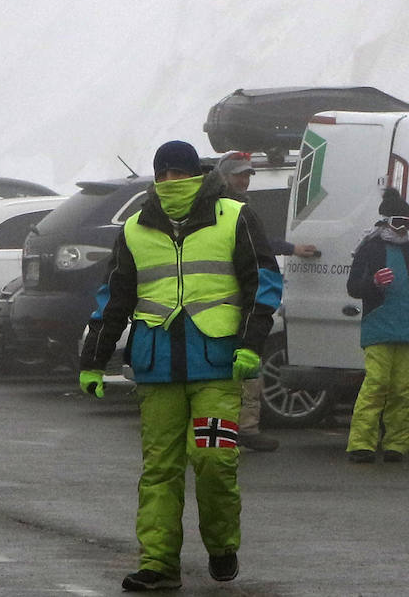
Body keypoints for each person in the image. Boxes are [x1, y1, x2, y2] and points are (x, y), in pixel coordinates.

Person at [80, 140, 282, 592]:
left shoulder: (235, 217)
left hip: (216, 367)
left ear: (198, 175)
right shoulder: (134, 229)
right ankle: (159, 563)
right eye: (163, 173)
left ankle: (222, 544)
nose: (171, 181)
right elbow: (114, 299)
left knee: (214, 460)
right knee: (160, 469)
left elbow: (263, 284)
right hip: (158, 370)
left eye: (180, 173)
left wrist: (252, 344)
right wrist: (93, 361)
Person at [212, 150, 319, 452]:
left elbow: (259, 244)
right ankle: (228, 432)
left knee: (248, 367)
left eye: (247, 175)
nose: (244, 180)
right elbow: (253, 245)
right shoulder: (218, 209)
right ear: (224, 176)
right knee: (225, 372)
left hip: (244, 299)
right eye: (239, 175)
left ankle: (245, 428)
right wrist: (290, 248)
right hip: (222, 301)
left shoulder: (241, 206)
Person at [343, 188, 409, 463]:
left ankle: (396, 445)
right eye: (399, 222)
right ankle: (361, 443)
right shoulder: (369, 248)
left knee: (403, 389)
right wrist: (374, 282)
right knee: (376, 384)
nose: (403, 229)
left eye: (408, 224)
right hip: (378, 326)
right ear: (386, 220)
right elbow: (353, 287)